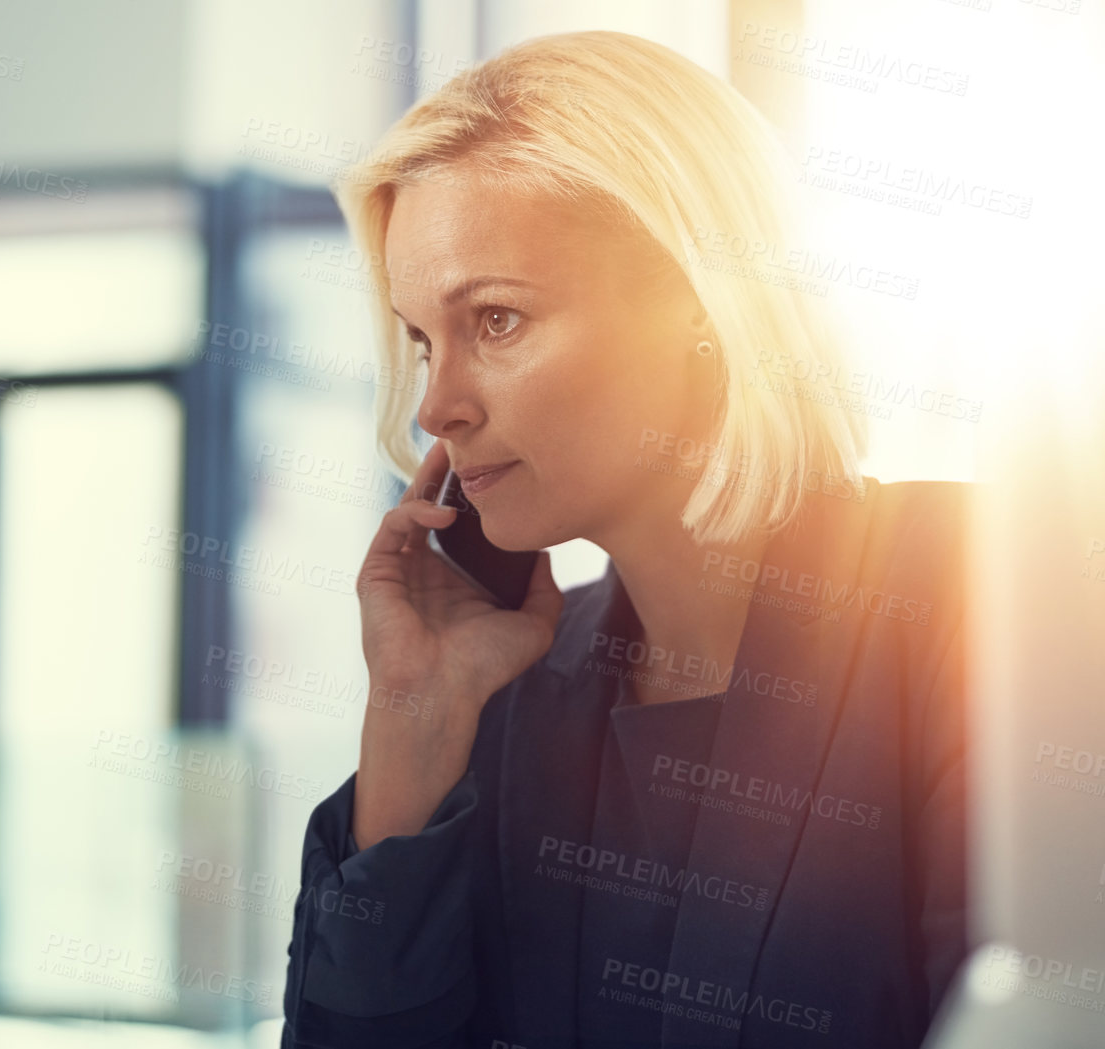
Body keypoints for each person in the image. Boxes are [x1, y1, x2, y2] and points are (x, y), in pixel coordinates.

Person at [280, 30, 970, 1049]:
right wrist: (411, 719)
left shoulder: (967, 592)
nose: (436, 405)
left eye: (499, 320)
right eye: (423, 338)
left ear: (700, 297)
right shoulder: (504, 695)